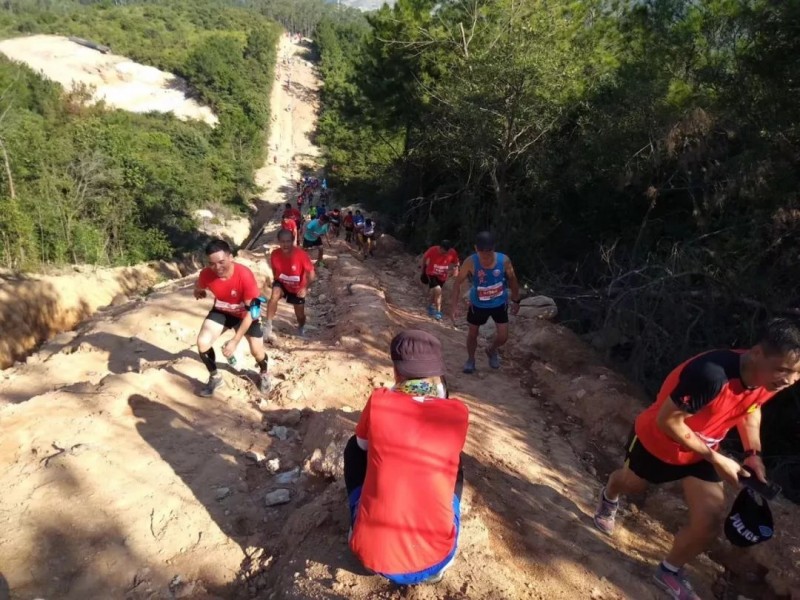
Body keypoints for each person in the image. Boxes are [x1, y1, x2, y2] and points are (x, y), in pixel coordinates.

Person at [593, 318, 800, 599]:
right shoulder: (710, 375)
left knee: (710, 520)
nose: (789, 379)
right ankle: (609, 494)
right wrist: (716, 459)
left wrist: (753, 454)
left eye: (797, 373)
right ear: (758, 353)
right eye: (783, 369)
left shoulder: (766, 380)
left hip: (703, 452)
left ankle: (669, 570)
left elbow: (751, 409)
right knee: (632, 485)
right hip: (658, 443)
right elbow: (668, 421)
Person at [344, 330, 469, 585]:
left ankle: (358, 522)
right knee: (455, 464)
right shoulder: (457, 412)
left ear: (396, 369)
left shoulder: (380, 401)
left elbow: (361, 445)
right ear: (437, 371)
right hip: (436, 558)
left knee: (353, 450)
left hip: (372, 556)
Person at [194, 239, 270, 396]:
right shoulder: (207, 274)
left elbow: (252, 312)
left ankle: (264, 372)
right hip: (223, 311)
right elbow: (199, 285)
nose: (217, 268)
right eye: (212, 264)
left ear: (230, 257)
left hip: (247, 314)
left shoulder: (244, 276)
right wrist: (198, 291)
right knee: (202, 342)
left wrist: (235, 341)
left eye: (221, 262)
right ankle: (215, 377)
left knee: (257, 352)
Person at [450, 231, 521, 373]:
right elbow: (457, 283)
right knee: (472, 333)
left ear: (494, 249)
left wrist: (516, 299)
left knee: (503, 336)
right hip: (478, 305)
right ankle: (471, 359)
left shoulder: (504, 261)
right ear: (476, 249)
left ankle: (491, 349)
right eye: (482, 253)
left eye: (489, 253)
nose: (486, 257)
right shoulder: (471, 262)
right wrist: (454, 307)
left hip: (499, 303)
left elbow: (512, 279)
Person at [264, 229, 316, 338]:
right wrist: (275, 281)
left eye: (288, 241)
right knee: (274, 295)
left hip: (297, 288)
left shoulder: (301, 255)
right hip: (282, 283)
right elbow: (274, 269)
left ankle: (301, 326)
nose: (285, 244)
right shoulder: (275, 254)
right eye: (282, 241)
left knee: (300, 315)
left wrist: (305, 288)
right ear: (279, 241)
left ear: (292, 241)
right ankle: (268, 325)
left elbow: (311, 274)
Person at [421, 241, 459, 320]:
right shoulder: (432, 250)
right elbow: (425, 257)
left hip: (442, 276)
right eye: (444, 252)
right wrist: (423, 270)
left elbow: (456, 262)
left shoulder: (452, 252)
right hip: (431, 274)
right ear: (440, 248)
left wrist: (456, 268)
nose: (445, 254)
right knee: (438, 290)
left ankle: (430, 306)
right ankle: (438, 311)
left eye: (447, 252)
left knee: (435, 292)